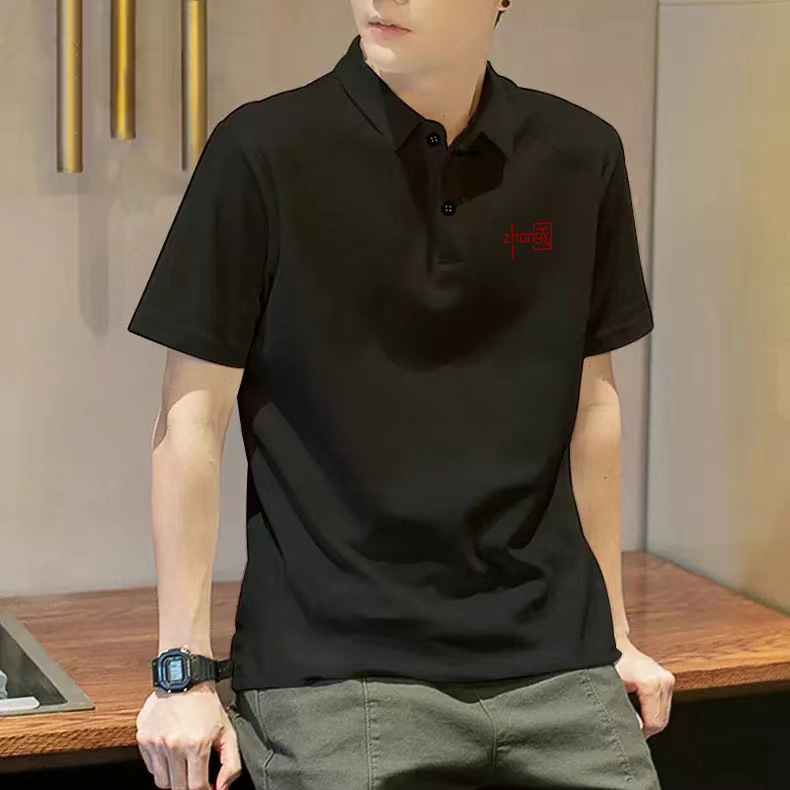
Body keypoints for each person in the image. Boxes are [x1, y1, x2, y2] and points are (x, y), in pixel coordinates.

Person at [131, 1, 674, 788]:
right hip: (336, 678)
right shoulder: (262, 151)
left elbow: (594, 408)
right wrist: (181, 675)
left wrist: (615, 633)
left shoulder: (580, 154)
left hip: (559, 666)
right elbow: (191, 424)